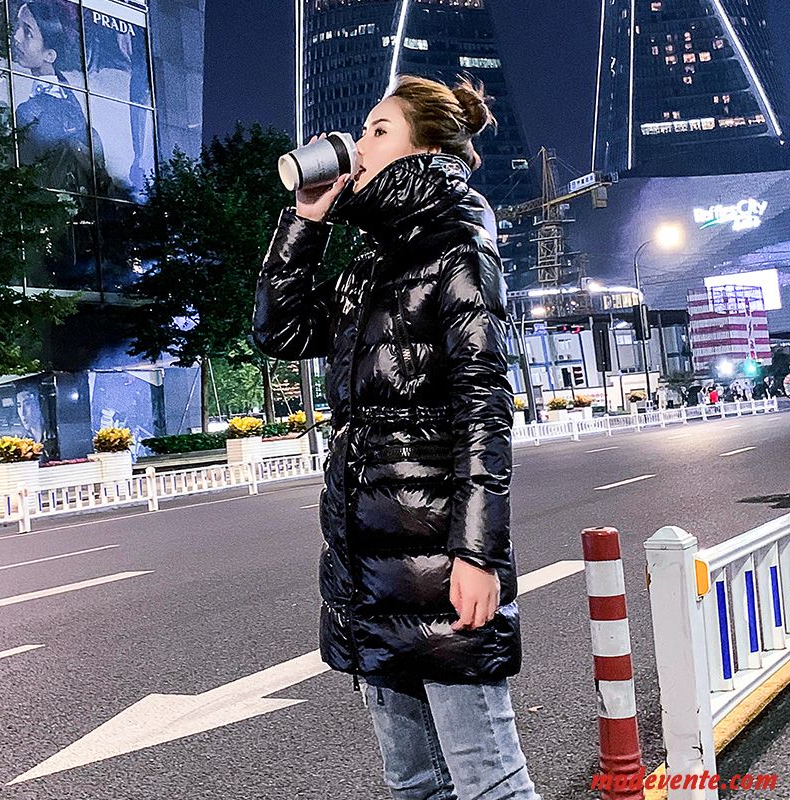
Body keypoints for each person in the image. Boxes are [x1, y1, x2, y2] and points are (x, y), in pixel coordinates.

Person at [253, 75, 540, 800]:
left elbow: (483, 410)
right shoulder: (371, 262)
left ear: (428, 145)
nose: (359, 144)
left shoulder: (458, 250)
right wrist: (305, 223)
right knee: (411, 781)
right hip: (371, 568)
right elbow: (279, 331)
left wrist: (476, 555)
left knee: (488, 781)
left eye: (379, 130)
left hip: (441, 564)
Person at [12, 0, 109, 194]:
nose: (16, 36)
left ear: (49, 55)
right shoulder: (70, 104)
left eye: (28, 32)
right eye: (17, 26)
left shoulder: (31, 111)